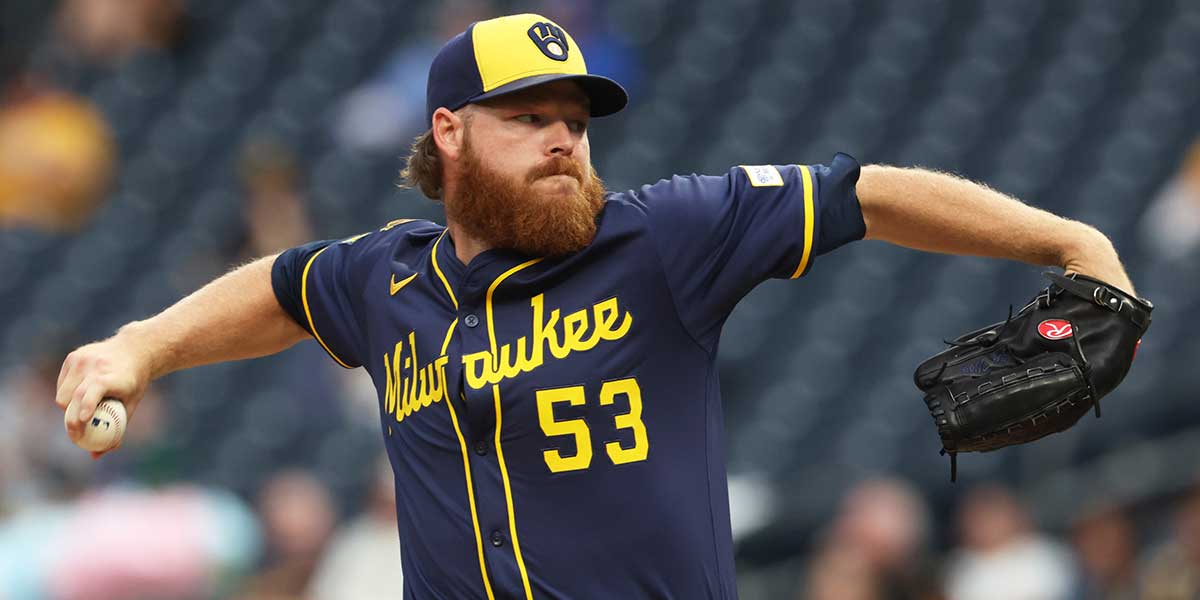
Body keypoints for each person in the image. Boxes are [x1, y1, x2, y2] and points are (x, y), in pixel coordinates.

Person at [53, 13, 1137, 599]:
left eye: (576, 115)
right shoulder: (385, 281)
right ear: (448, 133)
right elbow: (283, 287)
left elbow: (870, 193)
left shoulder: (662, 237)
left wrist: (1068, 241)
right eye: (528, 116)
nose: (565, 136)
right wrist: (140, 345)